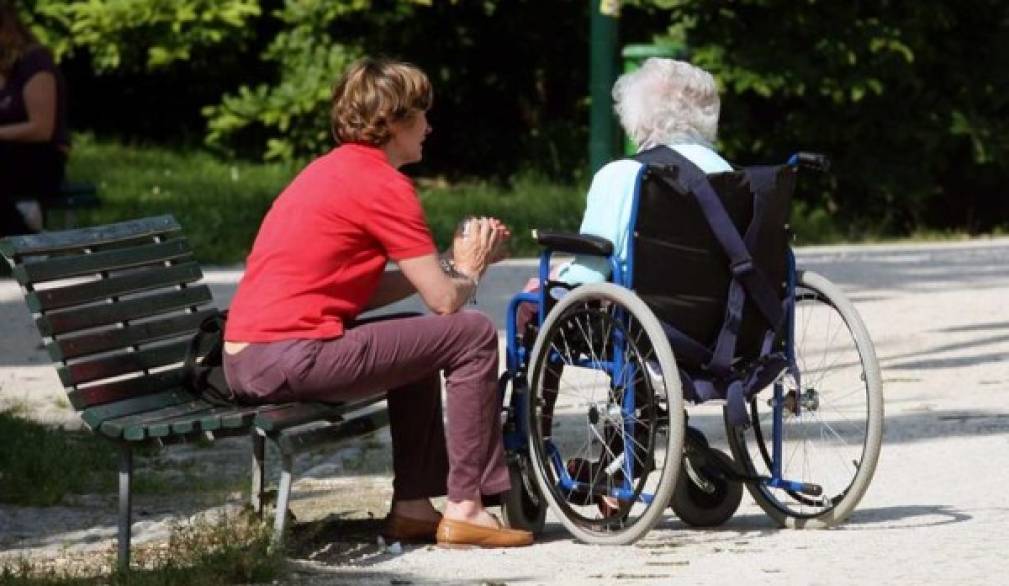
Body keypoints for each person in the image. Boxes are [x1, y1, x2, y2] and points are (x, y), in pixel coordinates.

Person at [222, 57, 533, 548]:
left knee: (418, 335)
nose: (429, 127)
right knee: (471, 334)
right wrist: (471, 268)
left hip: (251, 357)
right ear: (392, 121)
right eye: (422, 115)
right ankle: (467, 506)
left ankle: (413, 505)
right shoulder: (385, 185)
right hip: (286, 356)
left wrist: (450, 267)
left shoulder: (331, 171)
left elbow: (371, 287)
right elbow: (446, 304)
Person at [0, 2, 69, 236]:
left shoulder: (34, 62)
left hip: (40, 159)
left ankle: (26, 236)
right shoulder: (5, 69)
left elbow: (42, 129)